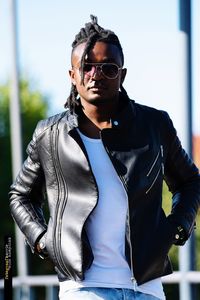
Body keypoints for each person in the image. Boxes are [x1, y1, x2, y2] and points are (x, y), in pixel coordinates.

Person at [9, 15, 200, 300]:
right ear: (72, 75)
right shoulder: (50, 134)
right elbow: (20, 194)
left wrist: (178, 226)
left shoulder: (154, 126)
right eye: (87, 67)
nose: (96, 75)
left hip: (147, 288)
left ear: (122, 75)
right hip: (83, 288)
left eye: (108, 68)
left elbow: (190, 182)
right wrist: (41, 239)